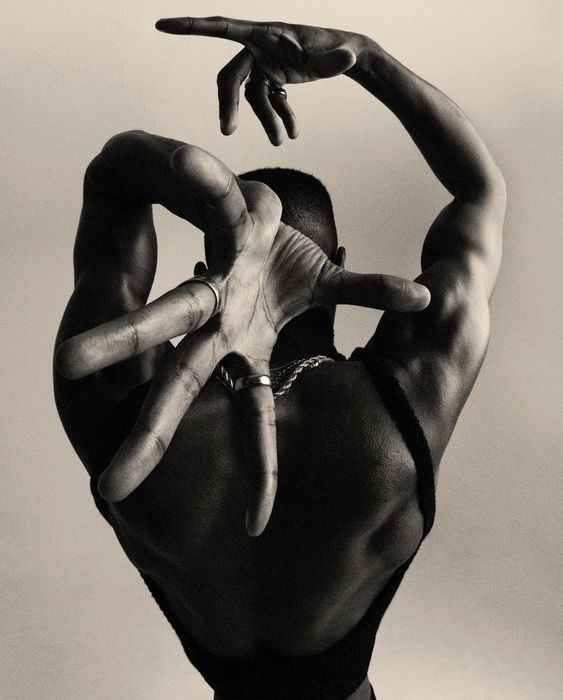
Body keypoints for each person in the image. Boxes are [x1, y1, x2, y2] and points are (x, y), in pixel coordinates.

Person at [54, 17, 506, 700]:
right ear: (341, 265)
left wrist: (177, 173)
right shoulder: (406, 396)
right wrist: (368, 61)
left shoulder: (124, 399)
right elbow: (478, 193)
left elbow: (110, 188)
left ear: (209, 270)